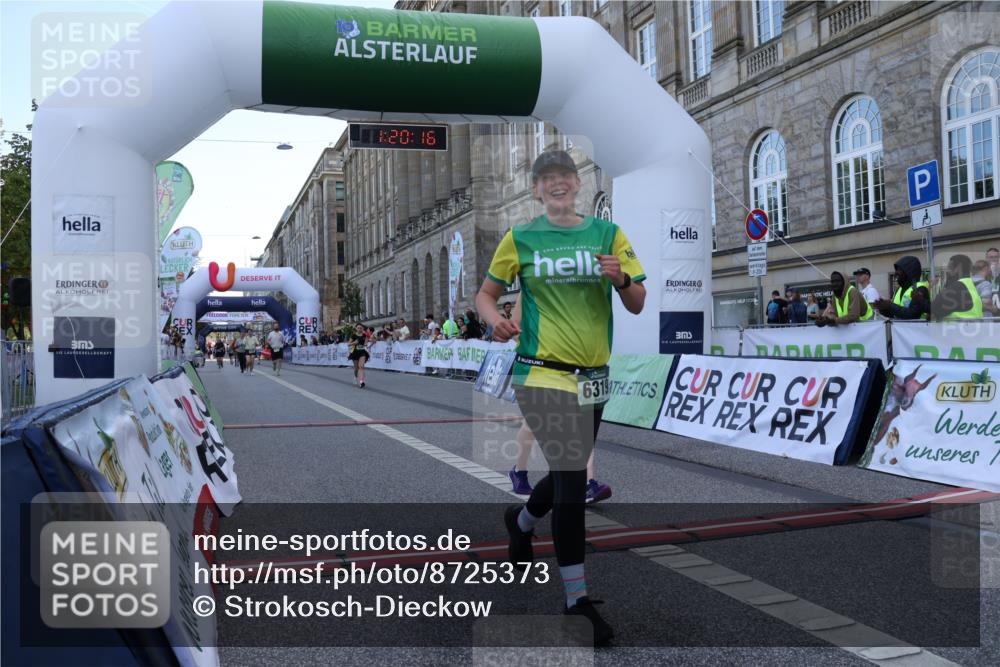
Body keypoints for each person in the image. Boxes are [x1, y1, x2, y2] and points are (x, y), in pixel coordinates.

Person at [476, 149, 646, 644]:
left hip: (593, 375)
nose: (556, 184)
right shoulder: (520, 237)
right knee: (572, 482)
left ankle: (523, 519)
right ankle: (578, 604)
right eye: (546, 178)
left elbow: (637, 304)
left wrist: (619, 279)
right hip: (541, 373)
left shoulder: (608, 234)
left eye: (564, 177)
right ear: (536, 189)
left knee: (566, 473)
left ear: (576, 183)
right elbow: (485, 294)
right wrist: (496, 321)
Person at [873, 255, 931, 320]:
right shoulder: (899, 290)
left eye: (899, 270)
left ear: (909, 272)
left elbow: (913, 315)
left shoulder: (920, 288)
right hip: (900, 329)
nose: (896, 273)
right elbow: (894, 314)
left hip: (917, 329)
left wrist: (890, 305)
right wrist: (883, 308)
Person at [933, 254, 983, 320]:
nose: (947, 271)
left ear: (957, 268)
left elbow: (932, 314)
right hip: (974, 328)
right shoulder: (970, 285)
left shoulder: (955, 289)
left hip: (954, 329)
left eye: (949, 268)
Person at [348, 323, 370, 388]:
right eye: (358, 328)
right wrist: (354, 343)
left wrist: (366, 344)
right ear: (356, 329)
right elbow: (348, 344)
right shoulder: (353, 335)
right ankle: (355, 376)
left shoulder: (364, 335)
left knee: (361, 367)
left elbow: (366, 342)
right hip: (355, 352)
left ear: (362, 329)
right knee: (356, 368)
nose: (359, 329)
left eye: (361, 328)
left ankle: (361, 382)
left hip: (362, 352)